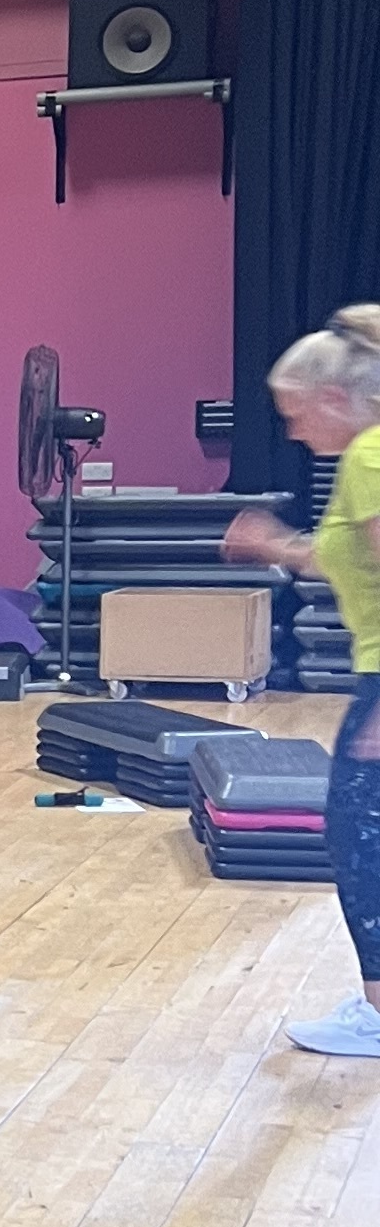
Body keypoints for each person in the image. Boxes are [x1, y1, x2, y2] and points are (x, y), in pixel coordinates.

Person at [224, 310, 380, 1054]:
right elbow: (349, 557)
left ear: (330, 401)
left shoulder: (370, 458)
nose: (290, 432)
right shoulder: (369, 459)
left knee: (360, 838)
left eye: (293, 413)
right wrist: (276, 547)